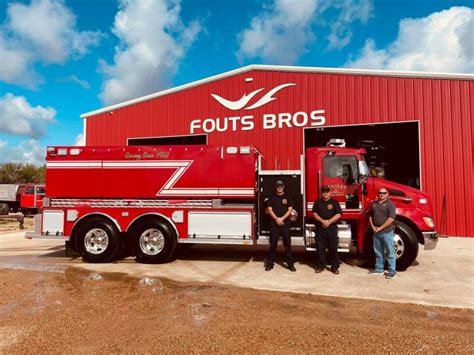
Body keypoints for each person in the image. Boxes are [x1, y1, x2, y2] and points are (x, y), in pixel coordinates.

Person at [265, 180, 296, 272]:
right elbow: (269, 210)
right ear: (276, 187)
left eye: (281, 186)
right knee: (273, 244)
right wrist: (276, 219)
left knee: (287, 245)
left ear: (284, 187)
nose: (280, 187)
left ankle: (290, 264)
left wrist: (281, 219)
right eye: (278, 186)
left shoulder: (288, 197)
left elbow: (290, 210)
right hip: (274, 224)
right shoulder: (272, 197)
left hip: (285, 223)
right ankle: (270, 264)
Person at [312, 186, 342, 274]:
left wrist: (329, 222)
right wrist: (322, 221)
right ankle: (321, 266)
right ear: (322, 193)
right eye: (324, 192)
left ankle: (335, 267)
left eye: (327, 192)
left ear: (330, 193)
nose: (325, 194)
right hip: (320, 228)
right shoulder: (317, 203)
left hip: (331, 229)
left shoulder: (334, 202)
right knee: (320, 249)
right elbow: (314, 214)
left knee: (333, 248)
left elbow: (339, 214)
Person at [369, 187, 397, 279]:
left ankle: (392, 272)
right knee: (378, 251)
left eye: (384, 193)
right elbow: (370, 216)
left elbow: (391, 218)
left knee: (390, 252)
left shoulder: (390, 204)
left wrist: (380, 228)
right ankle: (379, 269)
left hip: (387, 232)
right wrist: (373, 227)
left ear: (387, 194)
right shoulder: (373, 204)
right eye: (380, 193)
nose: (382, 194)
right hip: (376, 232)